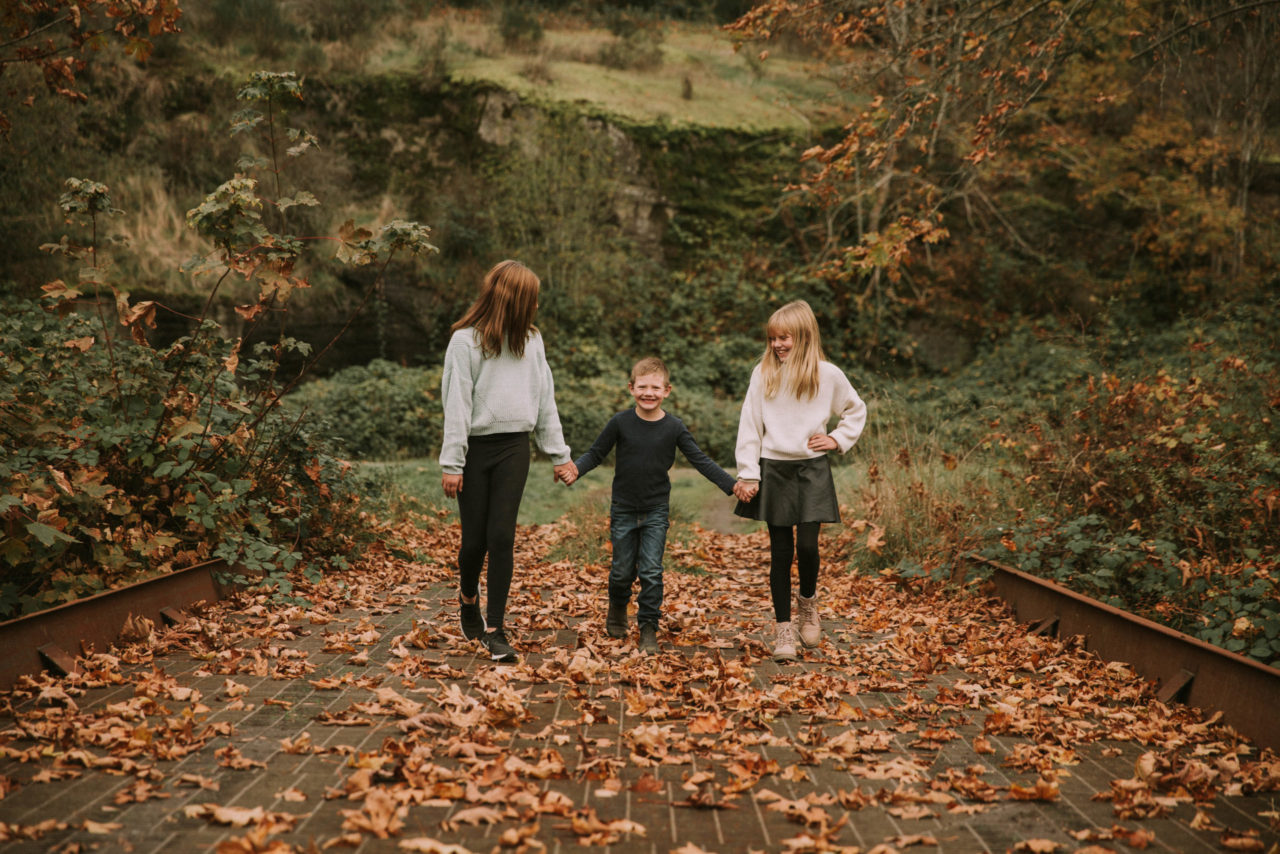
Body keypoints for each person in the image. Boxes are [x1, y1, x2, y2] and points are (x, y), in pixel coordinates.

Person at [440, 260, 575, 663]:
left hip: (515, 448)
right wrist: (453, 462)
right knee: (473, 543)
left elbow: (544, 398)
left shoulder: (532, 341)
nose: (535, 306)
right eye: (531, 299)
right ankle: (468, 596)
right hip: (477, 449)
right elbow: (457, 404)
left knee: (502, 537)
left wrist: (559, 454)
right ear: (513, 299)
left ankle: (495, 629)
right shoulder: (465, 342)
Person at [559, 356, 736, 654]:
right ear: (631, 388)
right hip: (623, 508)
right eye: (642, 386)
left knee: (652, 570)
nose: (649, 393)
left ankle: (648, 627)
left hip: (656, 509)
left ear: (667, 390)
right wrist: (576, 469)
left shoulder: (674, 427)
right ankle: (617, 606)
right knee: (621, 570)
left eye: (655, 387)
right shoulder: (620, 422)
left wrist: (731, 485)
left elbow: (700, 460)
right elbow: (596, 453)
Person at [732, 300, 867, 662]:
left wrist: (837, 439)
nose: (777, 345)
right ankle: (784, 630)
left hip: (811, 470)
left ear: (804, 336)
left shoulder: (828, 375)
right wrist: (749, 471)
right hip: (774, 468)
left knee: (807, 546)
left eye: (785, 338)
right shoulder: (763, 374)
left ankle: (808, 603)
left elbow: (856, 408)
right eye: (773, 338)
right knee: (781, 553)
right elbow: (750, 424)